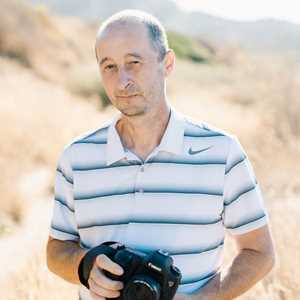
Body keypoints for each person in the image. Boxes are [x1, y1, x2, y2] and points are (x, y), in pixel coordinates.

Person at [46, 9, 275, 300]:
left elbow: (260, 252)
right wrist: (84, 265)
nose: (122, 81)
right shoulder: (76, 158)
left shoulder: (222, 152)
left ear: (166, 63)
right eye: (110, 67)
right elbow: (56, 250)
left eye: (134, 62)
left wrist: (203, 299)